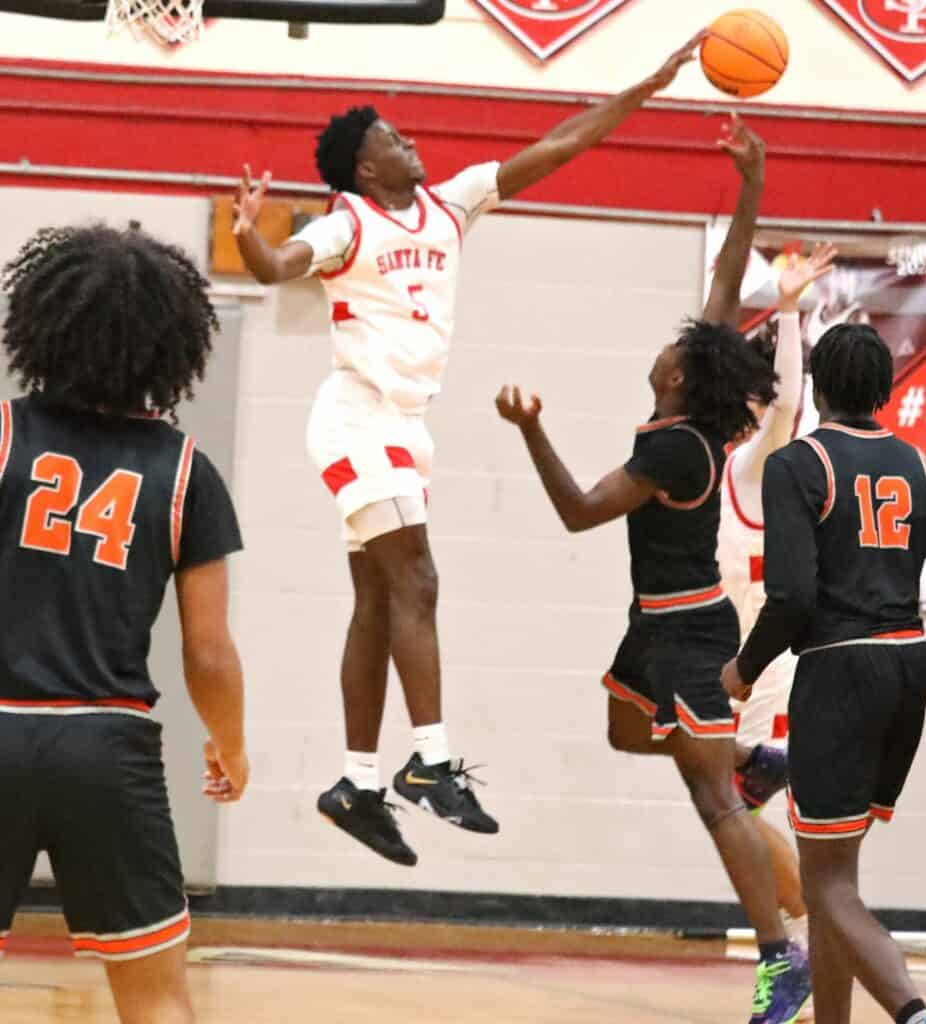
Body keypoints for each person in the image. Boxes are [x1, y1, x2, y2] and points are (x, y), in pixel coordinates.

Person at [232, 30, 709, 867]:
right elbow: (278, 266)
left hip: (404, 429)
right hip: (356, 419)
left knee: (381, 602)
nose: (409, 142)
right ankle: (432, 761)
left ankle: (355, 783)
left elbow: (560, 144)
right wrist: (249, 237)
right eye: (391, 139)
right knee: (418, 577)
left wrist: (651, 83)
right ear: (367, 170)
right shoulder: (350, 224)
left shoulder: (451, 203)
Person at [495, 117, 813, 1024]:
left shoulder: (676, 448)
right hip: (658, 625)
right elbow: (724, 281)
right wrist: (752, 181)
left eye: (672, 352)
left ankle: (777, 960)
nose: (666, 348)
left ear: (676, 379)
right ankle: (755, 758)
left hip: (693, 633)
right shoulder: (697, 408)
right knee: (627, 735)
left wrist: (530, 430)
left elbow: (577, 511)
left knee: (710, 801)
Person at [722, 322, 926, 1024]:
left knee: (826, 888)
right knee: (836, 875)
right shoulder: (920, 468)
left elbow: (791, 599)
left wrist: (743, 668)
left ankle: (917, 1016)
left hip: (838, 671)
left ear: (818, 386)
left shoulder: (801, 464)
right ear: (887, 391)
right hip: (905, 672)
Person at [0, 225, 248, 1024]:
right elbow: (207, 653)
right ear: (170, 347)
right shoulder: (184, 472)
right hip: (108, 750)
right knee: (156, 1004)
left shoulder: (3, 433)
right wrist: (231, 746)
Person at [722, 243, 837, 955]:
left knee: (730, 812)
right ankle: (807, 938)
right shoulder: (721, 467)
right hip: (743, 676)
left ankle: (804, 942)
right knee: (731, 815)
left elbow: (789, 402)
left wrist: (789, 311)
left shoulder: (759, 465)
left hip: (771, 683)